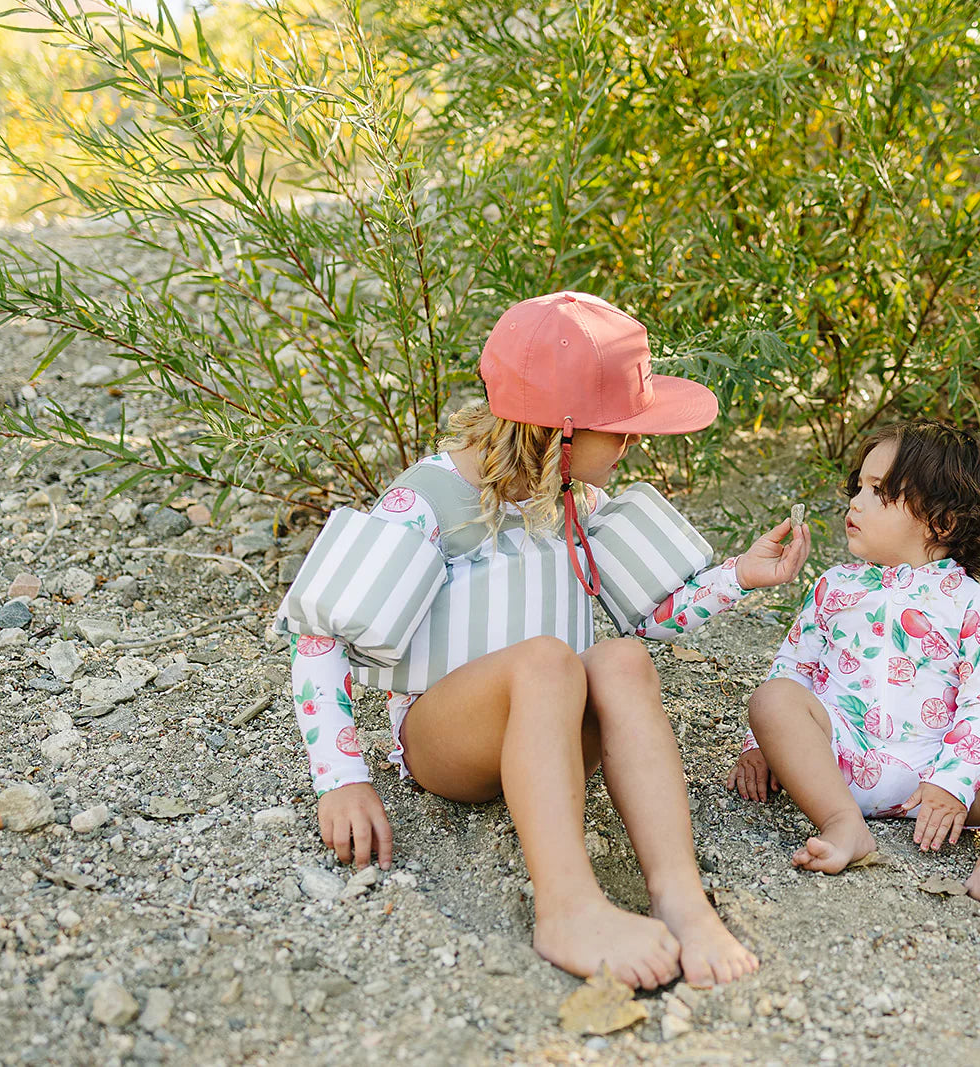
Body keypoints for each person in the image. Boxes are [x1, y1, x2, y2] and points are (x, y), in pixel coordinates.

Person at [286, 292, 811, 988]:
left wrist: (740, 575)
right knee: (545, 660)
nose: (633, 443)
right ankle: (566, 905)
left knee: (619, 657)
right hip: (449, 741)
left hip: (558, 731)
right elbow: (320, 636)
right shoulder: (428, 501)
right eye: (618, 430)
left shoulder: (577, 499)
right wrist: (342, 779)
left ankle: (679, 894)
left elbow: (647, 613)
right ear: (556, 433)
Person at [725, 420, 980, 934]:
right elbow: (795, 667)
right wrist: (760, 744)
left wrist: (953, 782)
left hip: (934, 772)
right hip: (839, 759)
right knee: (773, 699)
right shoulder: (835, 586)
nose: (855, 503)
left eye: (878, 492)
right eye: (857, 487)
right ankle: (843, 824)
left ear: (941, 523)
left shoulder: (971, 604)